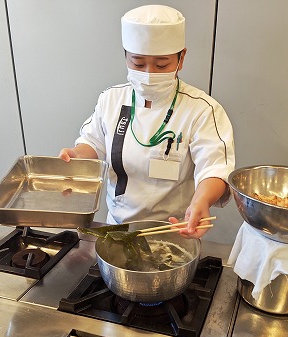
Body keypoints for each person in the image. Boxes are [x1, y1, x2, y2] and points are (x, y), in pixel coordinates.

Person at [59, 4, 235, 238]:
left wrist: (200, 201)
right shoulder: (111, 99)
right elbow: (93, 143)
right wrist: (75, 157)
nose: (149, 74)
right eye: (138, 63)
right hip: (117, 230)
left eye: (162, 65)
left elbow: (214, 168)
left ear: (181, 58)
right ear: (126, 57)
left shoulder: (202, 109)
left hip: (174, 230)